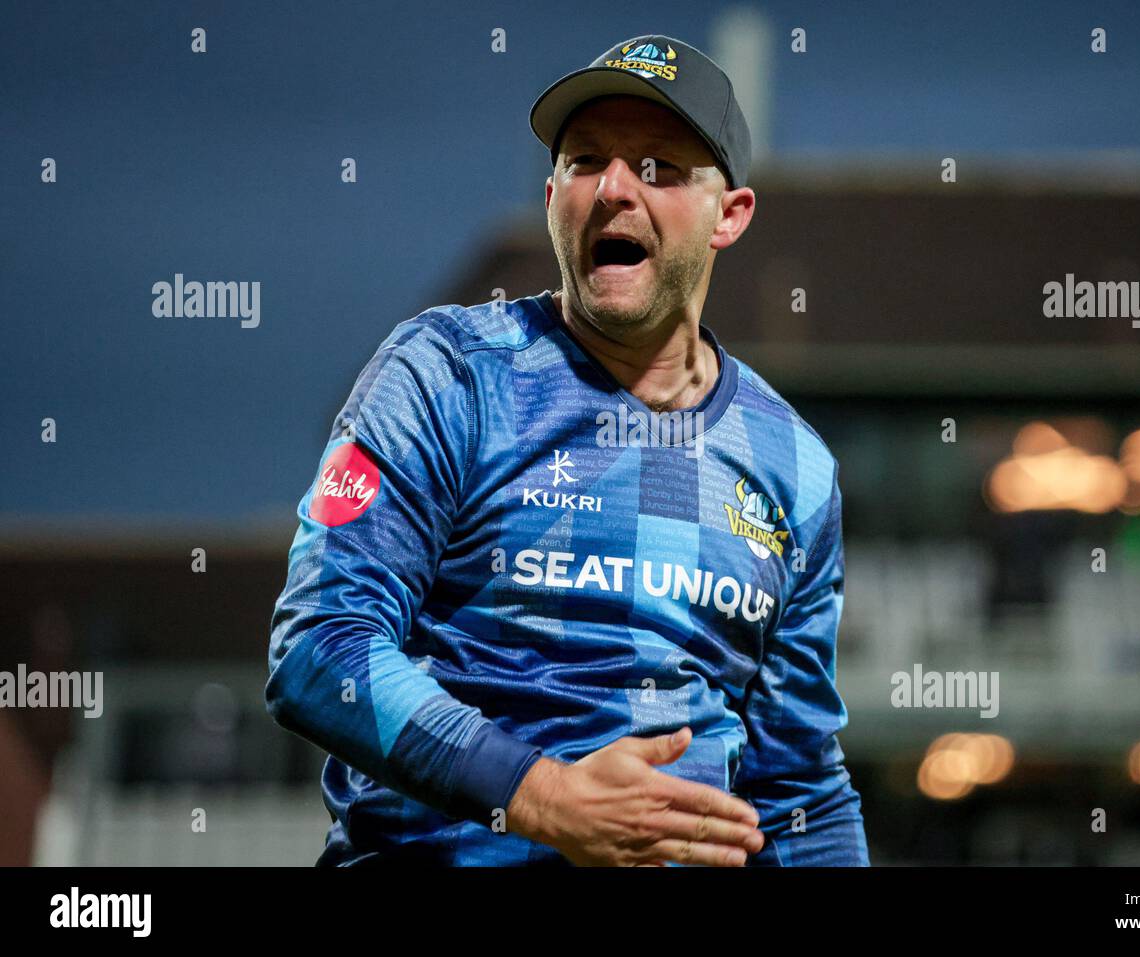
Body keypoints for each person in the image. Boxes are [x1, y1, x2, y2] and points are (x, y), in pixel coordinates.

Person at [266, 34, 870, 867]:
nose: (614, 189)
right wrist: (541, 796)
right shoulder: (448, 376)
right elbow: (320, 648)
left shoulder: (795, 466)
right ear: (552, 197)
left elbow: (800, 786)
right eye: (586, 163)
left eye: (658, 167)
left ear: (730, 214)